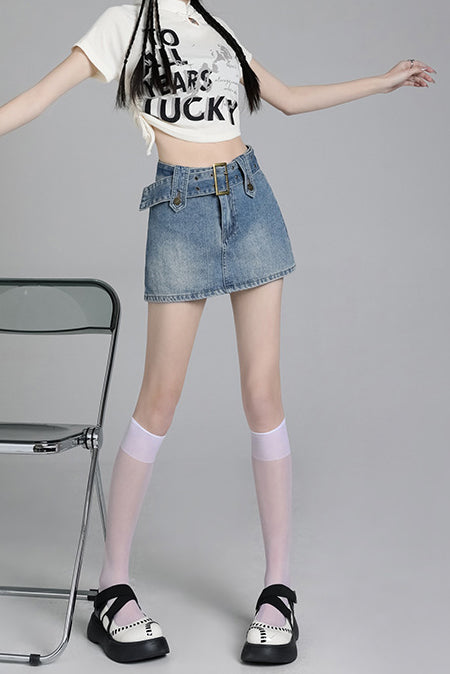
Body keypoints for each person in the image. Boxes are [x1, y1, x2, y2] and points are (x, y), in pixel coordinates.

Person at [0, 0, 435, 666]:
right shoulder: (123, 25)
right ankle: (112, 589)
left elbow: (288, 99)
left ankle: (278, 591)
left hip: (252, 200)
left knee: (264, 394)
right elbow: (36, 98)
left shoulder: (217, 26)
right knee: (159, 399)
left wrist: (382, 81)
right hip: (180, 211)